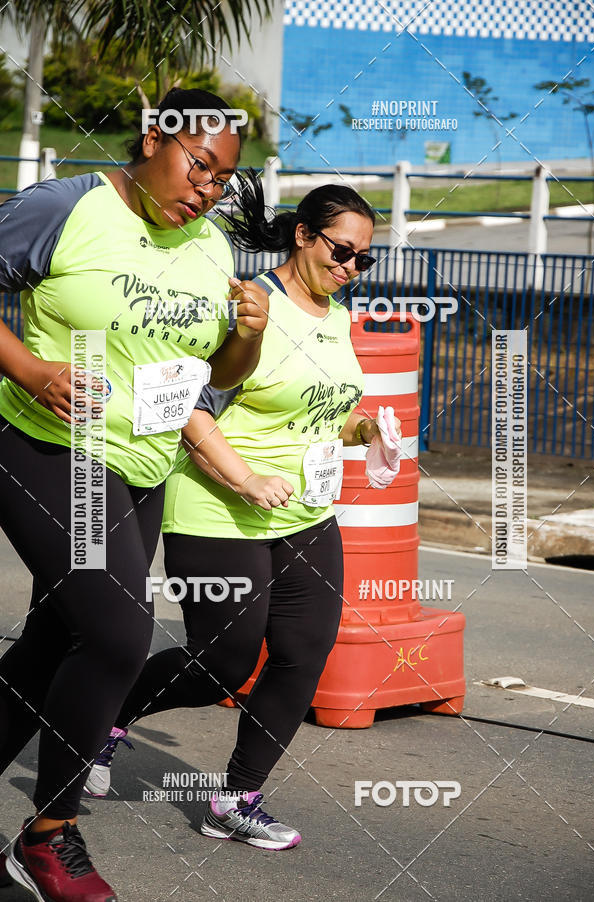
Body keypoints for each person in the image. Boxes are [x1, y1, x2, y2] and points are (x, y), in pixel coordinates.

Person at [0, 88, 269, 901]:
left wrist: (247, 339)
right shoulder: (68, 206)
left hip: (143, 470)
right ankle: (50, 836)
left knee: (49, 648)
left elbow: (211, 381)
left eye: (223, 179)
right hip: (57, 451)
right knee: (120, 634)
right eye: (199, 166)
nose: (207, 188)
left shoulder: (213, 248)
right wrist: (31, 368)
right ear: (153, 137)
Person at [86, 180, 401, 850]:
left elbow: (319, 405)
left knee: (302, 651)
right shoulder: (251, 304)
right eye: (342, 251)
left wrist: (363, 427)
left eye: (363, 261)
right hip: (218, 506)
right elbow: (194, 408)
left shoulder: (336, 316)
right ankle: (103, 716)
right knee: (225, 663)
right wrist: (245, 478)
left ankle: (237, 799)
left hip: (304, 510)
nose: (350, 268)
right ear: (303, 236)